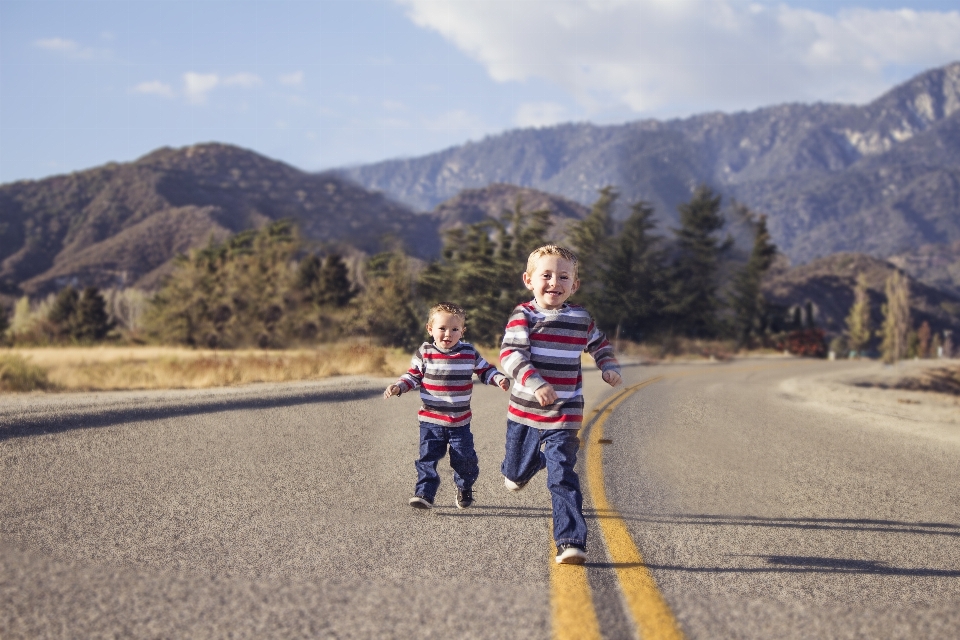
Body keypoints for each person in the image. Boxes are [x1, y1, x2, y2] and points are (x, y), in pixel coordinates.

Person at [500, 245, 622, 565]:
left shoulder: (580, 318)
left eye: (563, 276)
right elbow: (511, 356)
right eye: (547, 275)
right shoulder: (523, 316)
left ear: (574, 285)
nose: (554, 281)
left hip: (565, 412)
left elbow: (599, 344)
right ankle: (526, 466)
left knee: (563, 474)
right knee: (513, 474)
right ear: (529, 280)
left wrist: (608, 365)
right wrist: (536, 383)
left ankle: (570, 541)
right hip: (525, 411)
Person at [385, 302, 510, 510]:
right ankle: (424, 493)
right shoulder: (425, 352)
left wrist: (498, 379)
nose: (447, 334)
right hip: (430, 420)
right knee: (427, 459)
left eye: (454, 329)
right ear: (430, 329)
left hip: (459, 422)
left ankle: (464, 486)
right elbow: (413, 376)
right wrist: (399, 386)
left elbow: (485, 370)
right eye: (442, 328)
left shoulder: (468, 352)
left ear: (462, 331)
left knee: (465, 460)